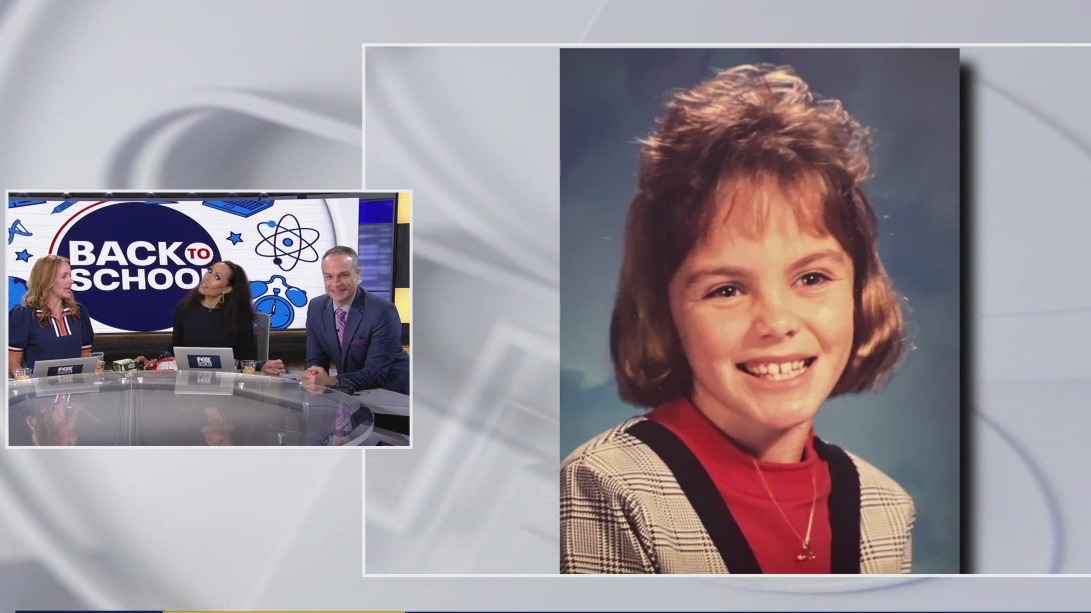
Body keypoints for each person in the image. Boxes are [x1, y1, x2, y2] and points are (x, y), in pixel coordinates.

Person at [560, 64, 915, 574]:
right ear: (666, 312)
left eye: (812, 278)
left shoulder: (884, 508)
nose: (776, 321)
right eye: (726, 289)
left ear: (859, 291)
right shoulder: (608, 488)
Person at [303, 246, 409, 394]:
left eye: (343, 275)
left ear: (358, 275)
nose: (335, 283)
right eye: (329, 276)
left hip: (391, 395)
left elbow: (376, 373)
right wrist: (313, 376)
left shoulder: (382, 311)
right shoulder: (316, 307)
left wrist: (333, 381)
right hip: (351, 393)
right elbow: (315, 361)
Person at [169, 261, 285, 375]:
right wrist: (153, 363)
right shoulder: (184, 308)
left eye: (217, 277)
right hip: (187, 381)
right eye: (210, 271)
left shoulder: (240, 316)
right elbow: (173, 351)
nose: (207, 277)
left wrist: (262, 368)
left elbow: (248, 364)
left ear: (227, 289)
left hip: (229, 384)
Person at [8, 254, 95, 375]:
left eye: (70, 275)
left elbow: (86, 358)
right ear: (47, 280)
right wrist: (26, 386)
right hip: (36, 392)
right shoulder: (24, 316)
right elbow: (12, 363)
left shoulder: (79, 313)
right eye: (64, 276)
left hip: (75, 390)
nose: (71, 280)